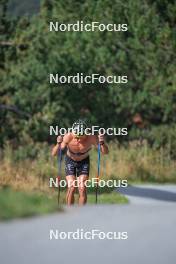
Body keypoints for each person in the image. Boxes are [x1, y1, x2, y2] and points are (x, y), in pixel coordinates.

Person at [52, 120, 109, 205]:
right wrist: (58, 143)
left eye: (81, 137)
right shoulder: (68, 136)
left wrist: (102, 143)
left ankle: (81, 212)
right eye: (76, 137)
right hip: (70, 160)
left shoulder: (91, 138)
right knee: (71, 187)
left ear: (86, 133)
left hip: (83, 162)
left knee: (82, 188)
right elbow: (54, 153)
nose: (78, 140)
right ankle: (70, 211)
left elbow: (105, 152)